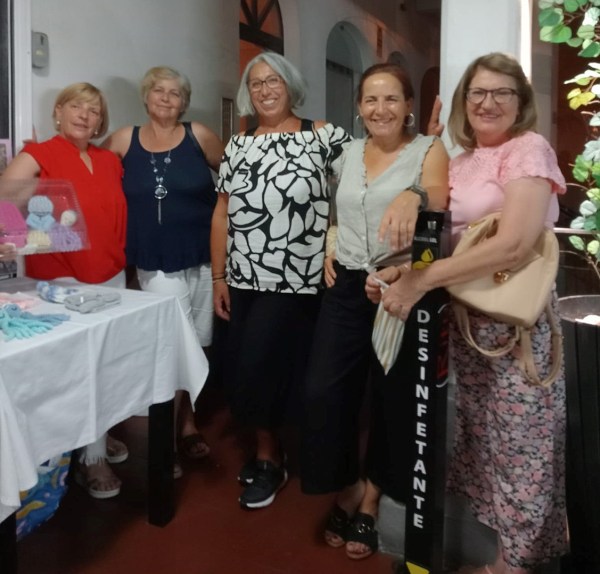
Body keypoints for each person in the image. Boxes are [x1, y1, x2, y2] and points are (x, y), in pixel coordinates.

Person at [367, 53, 567, 574]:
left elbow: (514, 245)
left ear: (521, 102)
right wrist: (399, 272)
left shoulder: (528, 149)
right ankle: (503, 559)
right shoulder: (460, 161)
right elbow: (449, 243)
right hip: (466, 324)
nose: (488, 102)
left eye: (502, 92)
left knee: (522, 446)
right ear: (463, 101)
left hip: (515, 327)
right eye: (477, 92)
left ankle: (515, 566)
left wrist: (422, 281)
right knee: (483, 441)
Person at [300, 63, 449, 560]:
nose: (380, 109)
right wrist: (330, 243)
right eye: (370, 99)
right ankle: (347, 484)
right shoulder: (346, 154)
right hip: (346, 284)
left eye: (391, 99)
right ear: (359, 107)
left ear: (408, 106)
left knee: (392, 396)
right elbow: (339, 210)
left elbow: (439, 209)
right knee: (323, 389)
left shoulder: (428, 150)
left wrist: (414, 193)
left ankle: (371, 498)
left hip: (399, 285)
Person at [211, 51, 356, 510]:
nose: (265, 89)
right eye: (256, 83)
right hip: (244, 277)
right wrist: (218, 276)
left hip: (299, 279)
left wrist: (336, 244)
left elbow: (362, 187)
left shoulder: (324, 135)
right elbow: (222, 213)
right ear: (247, 93)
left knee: (273, 368)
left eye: (274, 80)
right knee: (248, 366)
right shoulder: (238, 144)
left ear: (290, 86)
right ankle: (269, 451)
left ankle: (273, 458)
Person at [1, 82, 128, 498]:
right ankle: (91, 459)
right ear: (58, 112)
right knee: (80, 370)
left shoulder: (109, 160)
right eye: (76, 106)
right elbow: (4, 202)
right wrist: (11, 236)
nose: (85, 116)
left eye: (94, 111)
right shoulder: (39, 154)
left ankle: (97, 434)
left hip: (111, 275)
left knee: (108, 364)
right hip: (62, 281)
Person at [103, 66, 224, 475]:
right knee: (172, 345)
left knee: (199, 342)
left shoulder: (199, 135)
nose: (167, 98)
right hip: (155, 260)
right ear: (146, 96)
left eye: (175, 93)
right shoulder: (124, 139)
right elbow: (92, 174)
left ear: (184, 102)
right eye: (159, 91)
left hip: (204, 256)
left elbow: (237, 178)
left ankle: (188, 424)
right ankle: (165, 443)